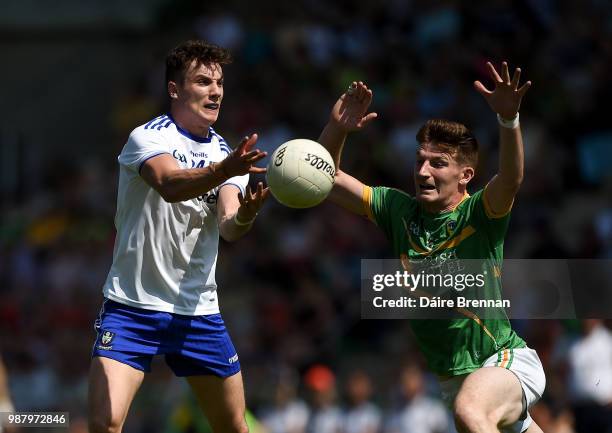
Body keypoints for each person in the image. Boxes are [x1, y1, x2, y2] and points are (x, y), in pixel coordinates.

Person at [317, 62, 546, 433]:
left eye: (438, 164)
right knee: (471, 410)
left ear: (465, 175)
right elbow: (324, 180)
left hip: (502, 361)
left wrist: (508, 119)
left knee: (472, 412)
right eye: (420, 161)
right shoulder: (397, 209)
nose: (423, 172)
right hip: (453, 380)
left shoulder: (480, 213)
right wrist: (338, 130)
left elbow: (512, 177)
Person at [88, 40, 269, 433]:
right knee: (106, 423)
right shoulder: (148, 138)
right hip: (133, 305)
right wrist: (224, 170)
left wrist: (247, 215)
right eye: (203, 81)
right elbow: (170, 183)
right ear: (174, 89)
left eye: (219, 83)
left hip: (197, 312)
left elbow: (228, 226)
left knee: (235, 426)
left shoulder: (226, 153)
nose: (215, 91)